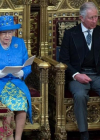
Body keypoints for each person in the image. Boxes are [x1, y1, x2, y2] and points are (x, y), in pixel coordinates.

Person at [0, 15, 32, 140]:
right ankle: (8, 138)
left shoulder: (19, 43)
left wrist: (22, 73)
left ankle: (17, 138)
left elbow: (27, 65)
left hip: (16, 82)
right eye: (4, 33)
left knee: (22, 103)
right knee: (7, 105)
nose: (7, 36)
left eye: (10, 32)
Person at [59, 2, 100, 140]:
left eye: (96, 17)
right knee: (80, 95)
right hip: (77, 75)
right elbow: (64, 60)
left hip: (97, 74)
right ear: (81, 18)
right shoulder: (70, 34)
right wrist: (76, 75)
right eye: (91, 17)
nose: (95, 20)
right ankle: (84, 134)